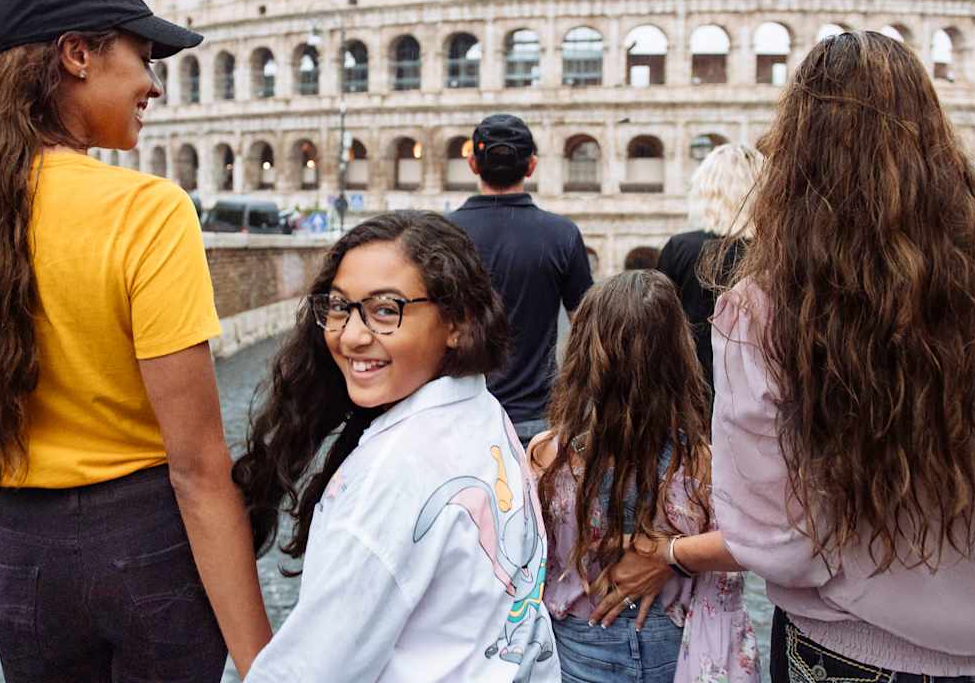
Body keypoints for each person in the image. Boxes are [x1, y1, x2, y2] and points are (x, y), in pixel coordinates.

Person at [0, 0, 271, 681]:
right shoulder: (146, 210)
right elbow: (197, 470)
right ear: (78, 54)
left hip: (19, 552)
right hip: (148, 545)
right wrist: (263, 660)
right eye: (144, 56)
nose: (153, 85)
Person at [711, 31, 975, 680]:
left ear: (796, 147)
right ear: (936, 129)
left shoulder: (762, 306)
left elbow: (775, 538)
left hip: (848, 646)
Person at [233, 211, 562, 682]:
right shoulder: (482, 411)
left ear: (458, 322)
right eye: (340, 307)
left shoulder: (393, 477)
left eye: (386, 310)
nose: (350, 335)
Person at [529, 270, 759, 683]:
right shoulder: (704, 462)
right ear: (678, 356)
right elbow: (757, 541)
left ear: (582, 355)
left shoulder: (548, 456)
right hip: (675, 643)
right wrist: (672, 553)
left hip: (579, 642)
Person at [447, 114, 592, 445]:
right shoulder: (562, 235)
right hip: (534, 419)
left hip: (458, 416)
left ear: (472, 164)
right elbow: (585, 328)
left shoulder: (442, 234)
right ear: (531, 166)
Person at [655, 143, 763, 389]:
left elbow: (659, 327)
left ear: (705, 190)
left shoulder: (681, 248)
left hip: (692, 390)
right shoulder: (773, 252)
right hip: (756, 393)